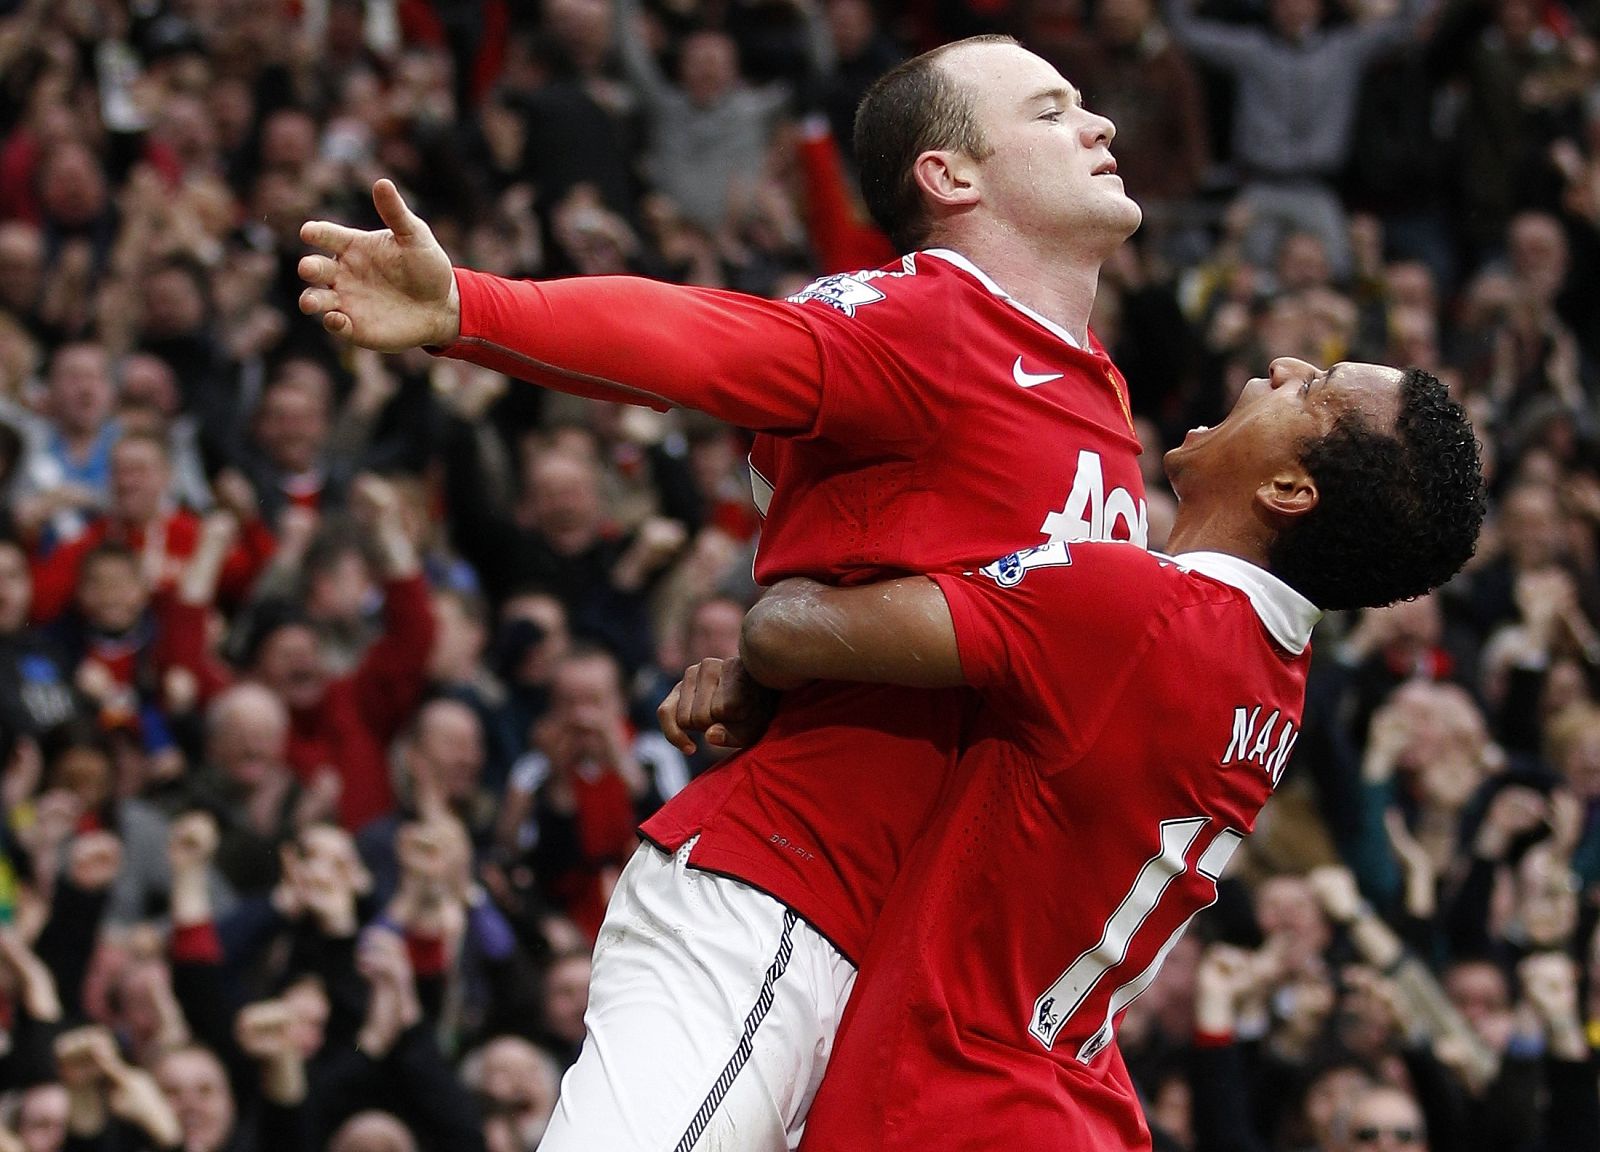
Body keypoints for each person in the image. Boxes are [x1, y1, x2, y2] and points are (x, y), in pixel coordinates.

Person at [300, 34, 1146, 1149]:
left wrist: (772, 662)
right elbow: (708, 340)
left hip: (925, 976)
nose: (1098, 127)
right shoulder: (931, 317)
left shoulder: (1095, 385)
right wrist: (471, 305)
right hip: (790, 902)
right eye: (1049, 110)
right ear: (949, 175)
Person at [663, 357, 1484, 1148]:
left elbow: (782, 633)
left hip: (950, 1102)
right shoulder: (1276, 671)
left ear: (1291, 491)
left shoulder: (1134, 607)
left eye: (1316, 390)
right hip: (1063, 1093)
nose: (1283, 364)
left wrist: (773, 649)